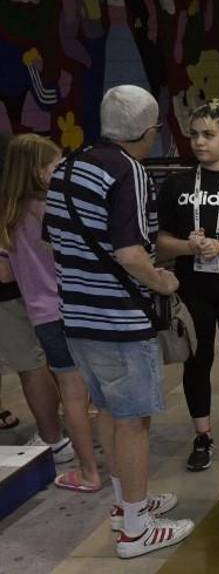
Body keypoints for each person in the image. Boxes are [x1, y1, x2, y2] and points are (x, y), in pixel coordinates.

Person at [44, 85, 192, 557]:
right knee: (133, 421)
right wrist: (162, 282)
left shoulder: (69, 167)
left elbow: (52, 240)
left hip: (76, 315)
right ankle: (136, 529)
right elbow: (131, 253)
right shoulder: (129, 172)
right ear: (148, 132)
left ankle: (126, 502)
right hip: (119, 319)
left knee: (108, 410)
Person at [156, 99, 219, 473]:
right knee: (197, 362)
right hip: (192, 285)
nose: (199, 142)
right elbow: (160, 242)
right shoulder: (177, 183)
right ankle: (202, 436)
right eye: (195, 134)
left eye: (209, 135)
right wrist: (189, 246)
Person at [0, 134, 105, 491]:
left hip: (42, 315)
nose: (61, 170)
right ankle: (103, 463)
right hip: (76, 306)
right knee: (94, 389)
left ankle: (81, 464)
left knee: (71, 391)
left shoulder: (9, 215)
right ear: (38, 171)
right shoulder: (55, 208)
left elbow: (7, 273)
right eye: (55, 165)